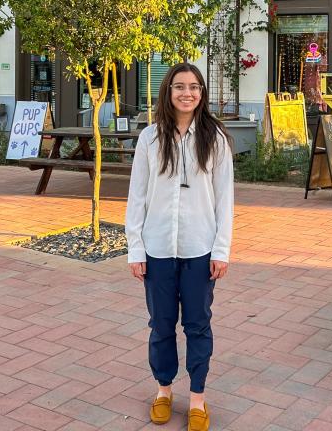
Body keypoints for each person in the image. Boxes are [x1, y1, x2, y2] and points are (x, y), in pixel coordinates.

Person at [125, 62, 234, 431]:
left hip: (200, 249)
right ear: (167, 92)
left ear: (202, 93)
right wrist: (135, 248)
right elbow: (136, 197)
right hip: (157, 249)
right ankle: (164, 390)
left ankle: (199, 397)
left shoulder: (215, 139)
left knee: (199, 325)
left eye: (194, 87)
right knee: (161, 326)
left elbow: (225, 200)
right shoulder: (150, 139)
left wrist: (221, 249)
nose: (187, 93)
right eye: (179, 86)